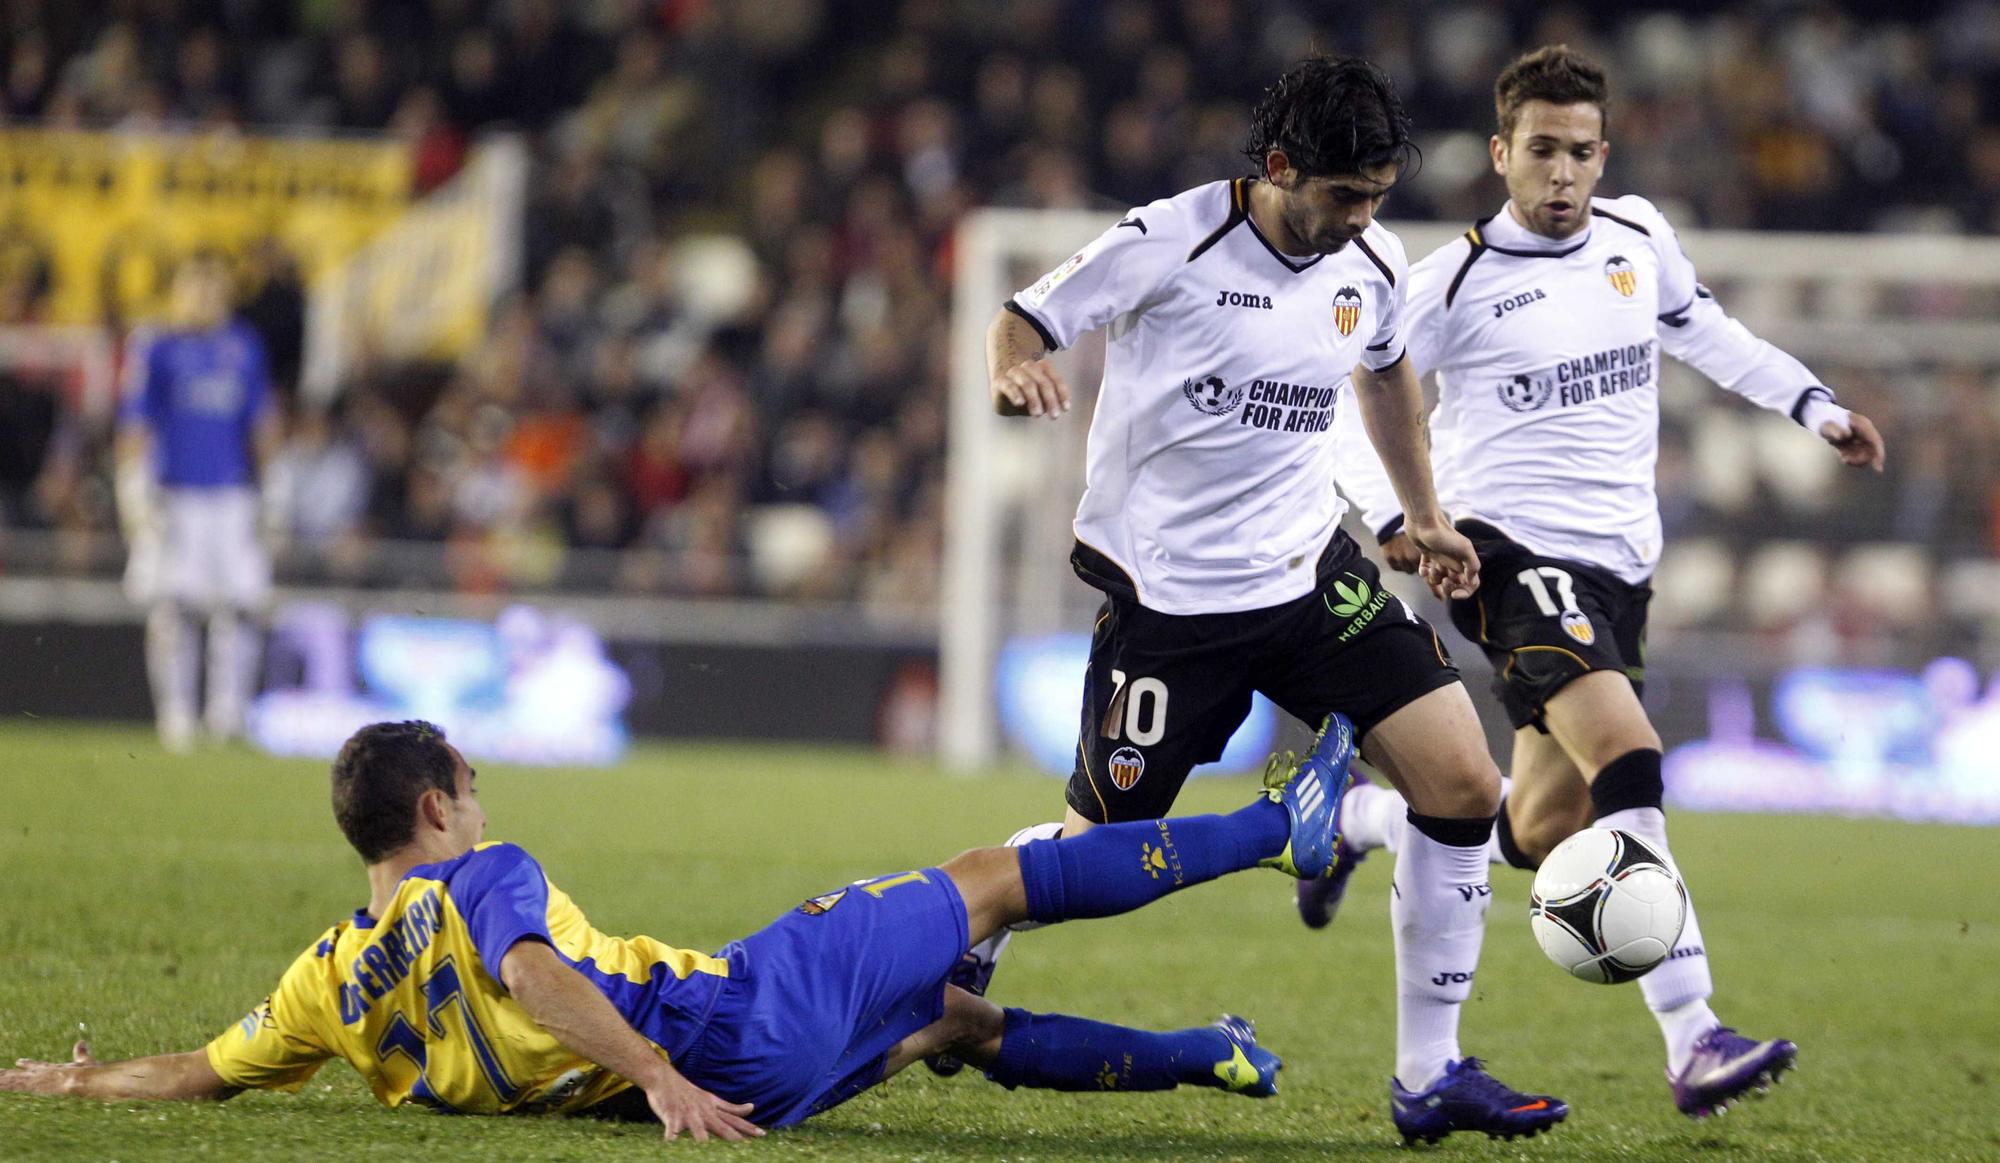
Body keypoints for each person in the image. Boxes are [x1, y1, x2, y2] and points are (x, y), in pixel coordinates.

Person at [975, 56, 1566, 1145]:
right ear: (1279, 166)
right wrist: (1017, 372)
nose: (1361, 219)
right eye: (1344, 195)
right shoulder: (1172, 240)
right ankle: (966, 925)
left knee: (1462, 784)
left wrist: (1419, 513)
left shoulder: (1373, 258)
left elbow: (1384, 374)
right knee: (1093, 850)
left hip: (1307, 577)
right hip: (1171, 605)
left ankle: (1428, 1074)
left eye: (1378, 196)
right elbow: (1026, 314)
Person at [1310, 44, 1886, 1120]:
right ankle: (1693, 1032)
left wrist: (1811, 404)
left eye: (1579, 151)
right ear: (1499, 153)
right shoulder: (1447, 283)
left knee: (1534, 825)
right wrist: (1400, 519)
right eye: (1540, 150)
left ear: (1602, 153)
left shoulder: (1636, 237)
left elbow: (1704, 332)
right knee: (1627, 757)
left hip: (1621, 566)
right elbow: (1349, 408)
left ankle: (1355, 822)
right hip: (1503, 556)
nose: (1562, 173)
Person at [0, 716, 1356, 1141]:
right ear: (436, 805)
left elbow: (199, 1068)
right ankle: (1273, 828)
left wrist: (66, 1077)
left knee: (956, 1016)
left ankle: (1205, 1052)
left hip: (744, 1076)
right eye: (472, 787)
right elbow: (527, 967)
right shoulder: (485, 878)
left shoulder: (324, 984)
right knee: (991, 873)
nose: (486, 801)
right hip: (730, 1025)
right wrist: (661, 1076)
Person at [116, 250, 284, 752]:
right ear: (178, 291)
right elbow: (136, 421)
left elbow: (260, 422)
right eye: (196, 287)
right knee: (175, 608)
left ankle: (227, 712)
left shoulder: (244, 347)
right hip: (175, 493)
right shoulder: (157, 346)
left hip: (231, 495)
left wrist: (274, 489)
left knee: (241, 605)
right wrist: (132, 485)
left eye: (215, 288)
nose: (205, 298)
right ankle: (176, 715)